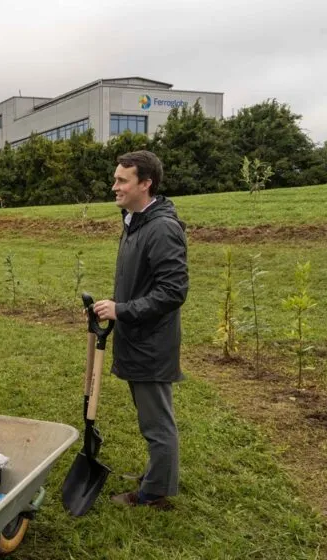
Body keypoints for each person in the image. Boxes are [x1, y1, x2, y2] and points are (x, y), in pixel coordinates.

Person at [93, 150, 188, 510]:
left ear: (145, 184)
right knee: (150, 417)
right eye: (116, 178)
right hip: (138, 337)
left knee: (157, 422)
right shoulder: (135, 220)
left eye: (122, 180)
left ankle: (155, 493)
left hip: (152, 342)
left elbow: (173, 291)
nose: (114, 185)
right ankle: (155, 474)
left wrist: (123, 309)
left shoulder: (161, 228)